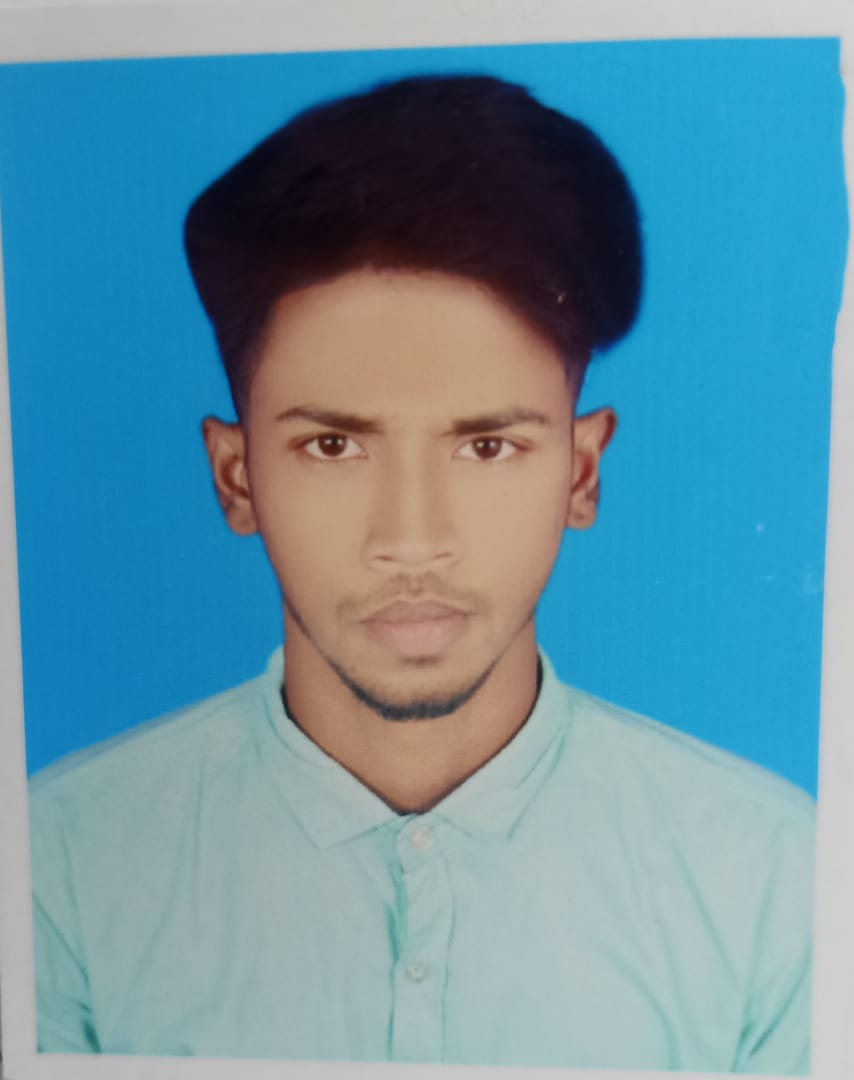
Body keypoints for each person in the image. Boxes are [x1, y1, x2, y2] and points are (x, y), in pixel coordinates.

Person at [28, 73, 814, 1071]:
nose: (409, 540)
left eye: (486, 447)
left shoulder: (774, 884)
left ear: (580, 472)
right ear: (237, 476)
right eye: (333, 446)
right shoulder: (55, 873)